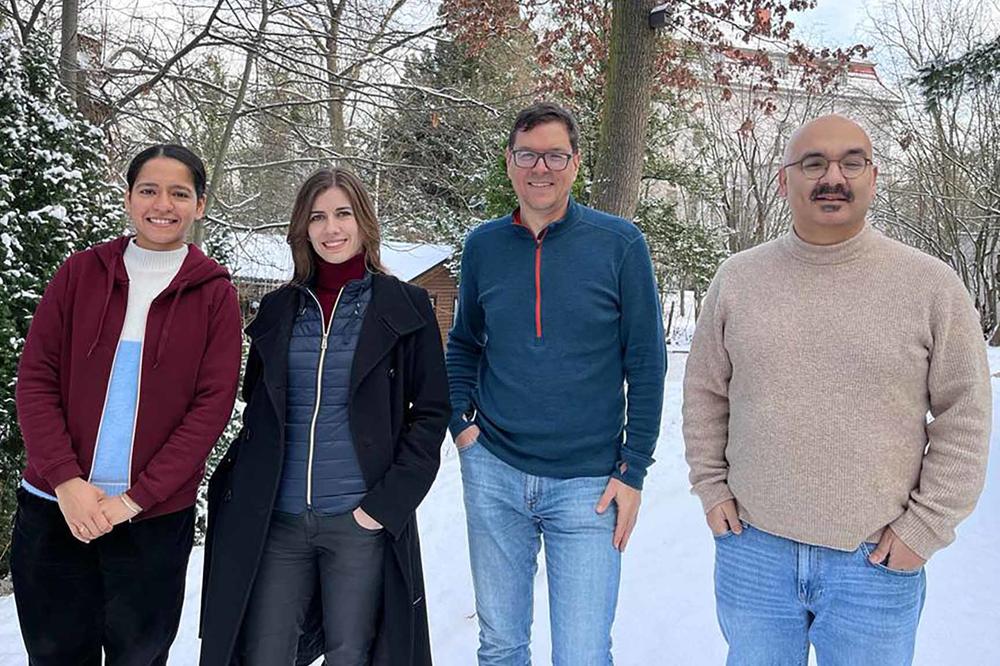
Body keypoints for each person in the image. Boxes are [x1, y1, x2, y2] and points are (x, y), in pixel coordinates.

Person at [683, 114, 992, 665]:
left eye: (852, 162)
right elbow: (706, 393)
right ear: (784, 181)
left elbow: (964, 415)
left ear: (872, 177)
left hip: (872, 563)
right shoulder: (737, 279)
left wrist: (926, 526)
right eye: (813, 163)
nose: (833, 176)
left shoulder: (931, 286)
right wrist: (711, 488)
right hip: (754, 552)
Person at [199, 167, 450, 666]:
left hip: (359, 520)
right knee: (265, 652)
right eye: (318, 217)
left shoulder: (406, 305)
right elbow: (258, 410)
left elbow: (431, 411)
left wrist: (384, 506)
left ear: (363, 222)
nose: (331, 229)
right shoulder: (277, 309)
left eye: (343, 214)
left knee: (351, 652)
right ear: (303, 228)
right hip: (279, 521)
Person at [446, 102, 666, 666]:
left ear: (575, 163)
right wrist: (462, 428)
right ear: (509, 162)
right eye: (527, 154)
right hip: (495, 471)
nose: (539, 168)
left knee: (583, 653)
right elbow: (465, 342)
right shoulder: (483, 247)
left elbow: (645, 361)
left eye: (554, 155)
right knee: (500, 646)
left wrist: (632, 467)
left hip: (588, 486)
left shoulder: (619, 245)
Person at [11, 144, 243, 665]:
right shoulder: (79, 275)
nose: (163, 204)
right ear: (129, 198)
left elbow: (210, 410)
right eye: (149, 190)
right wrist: (67, 483)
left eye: (179, 193)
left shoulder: (214, 296)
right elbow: (36, 379)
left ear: (200, 205)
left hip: (152, 522)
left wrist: (134, 501)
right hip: (55, 511)